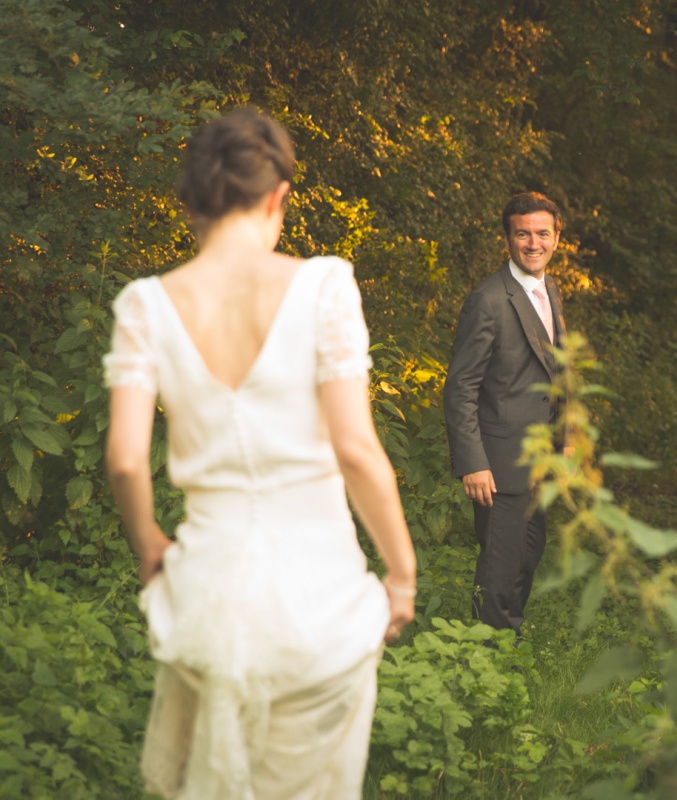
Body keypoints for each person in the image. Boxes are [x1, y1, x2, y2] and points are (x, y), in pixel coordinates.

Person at [103, 107, 417, 800]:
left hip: (209, 596)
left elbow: (126, 459)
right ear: (277, 196)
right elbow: (357, 449)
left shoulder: (145, 306)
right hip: (318, 601)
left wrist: (149, 543)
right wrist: (401, 573)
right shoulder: (323, 287)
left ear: (191, 203)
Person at [443, 192, 567, 636]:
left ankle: (507, 647)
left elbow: (555, 371)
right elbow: (461, 387)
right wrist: (473, 462)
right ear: (508, 238)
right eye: (522, 234)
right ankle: (484, 665)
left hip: (540, 460)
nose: (533, 243)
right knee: (499, 569)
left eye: (542, 234)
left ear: (556, 238)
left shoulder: (548, 288)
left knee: (526, 558)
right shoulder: (489, 300)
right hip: (497, 462)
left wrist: (565, 440)